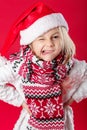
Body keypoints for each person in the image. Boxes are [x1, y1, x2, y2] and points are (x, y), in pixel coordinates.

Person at [0, 2, 87, 130]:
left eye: (55, 37)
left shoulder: (71, 66)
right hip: (30, 125)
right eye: (41, 39)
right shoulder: (21, 67)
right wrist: (20, 101)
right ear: (30, 43)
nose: (50, 44)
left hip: (61, 125)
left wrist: (74, 97)